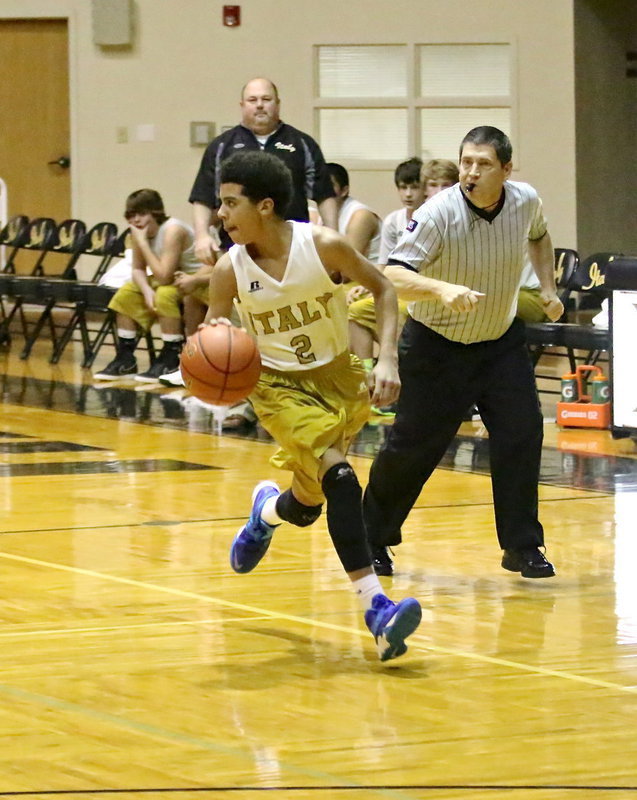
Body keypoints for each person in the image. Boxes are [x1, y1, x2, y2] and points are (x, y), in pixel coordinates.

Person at [206, 150, 422, 662]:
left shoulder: (323, 246)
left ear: (264, 206)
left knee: (310, 503)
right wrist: (213, 351)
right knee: (343, 480)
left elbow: (384, 288)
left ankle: (266, 513)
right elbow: (211, 332)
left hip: (339, 378)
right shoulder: (228, 270)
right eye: (220, 203)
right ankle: (377, 610)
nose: (221, 214)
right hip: (277, 387)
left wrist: (387, 360)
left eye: (230, 203)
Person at [362, 126, 563, 579]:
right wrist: (440, 288)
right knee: (414, 448)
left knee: (521, 434)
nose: (471, 172)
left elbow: (539, 235)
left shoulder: (526, 200)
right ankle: (371, 536)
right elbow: (392, 274)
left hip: (499, 341)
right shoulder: (437, 213)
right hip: (437, 346)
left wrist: (548, 287)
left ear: (507, 170)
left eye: (484, 164)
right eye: (466, 162)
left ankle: (522, 546)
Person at [348, 158, 459, 415]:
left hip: (430, 294)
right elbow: (385, 265)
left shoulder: (448, 220)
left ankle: (403, 385)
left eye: (445, 185)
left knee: (403, 315)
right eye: (433, 184)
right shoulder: (394, 222)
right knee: (355, 310)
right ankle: (368, 380)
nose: (409, 194)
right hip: (401, 290)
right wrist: (366, 284)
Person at [189, 76, 338, 264]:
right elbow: (203, 196)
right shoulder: (221, 146)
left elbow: (324, 194)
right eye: (253, 100)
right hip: (237, 248)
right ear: (242, 105)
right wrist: (201, 236)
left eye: (266, 99)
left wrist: (333, 236)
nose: (259, 105)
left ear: (277, 104)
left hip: (293, 249)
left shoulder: (301, 143)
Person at [93, 189, 211, 382]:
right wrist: (147, 291)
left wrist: (142, 243)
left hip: (195, 279)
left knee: (164, 293)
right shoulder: (139, 232)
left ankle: (171, 354)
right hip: (172, 277)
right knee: (126, 293)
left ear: (155, 212)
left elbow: (164, 277)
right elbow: (138, 270)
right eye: (131, 216)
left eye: (142, 214)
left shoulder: (173, 230)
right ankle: (126, 358)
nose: (136, 220)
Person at [326, 162, 382, 262]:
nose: (322, 190)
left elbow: (348, 265)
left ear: (344, 191)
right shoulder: (320, 214)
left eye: (328, 185)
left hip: (370, 276)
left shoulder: (361, 216)